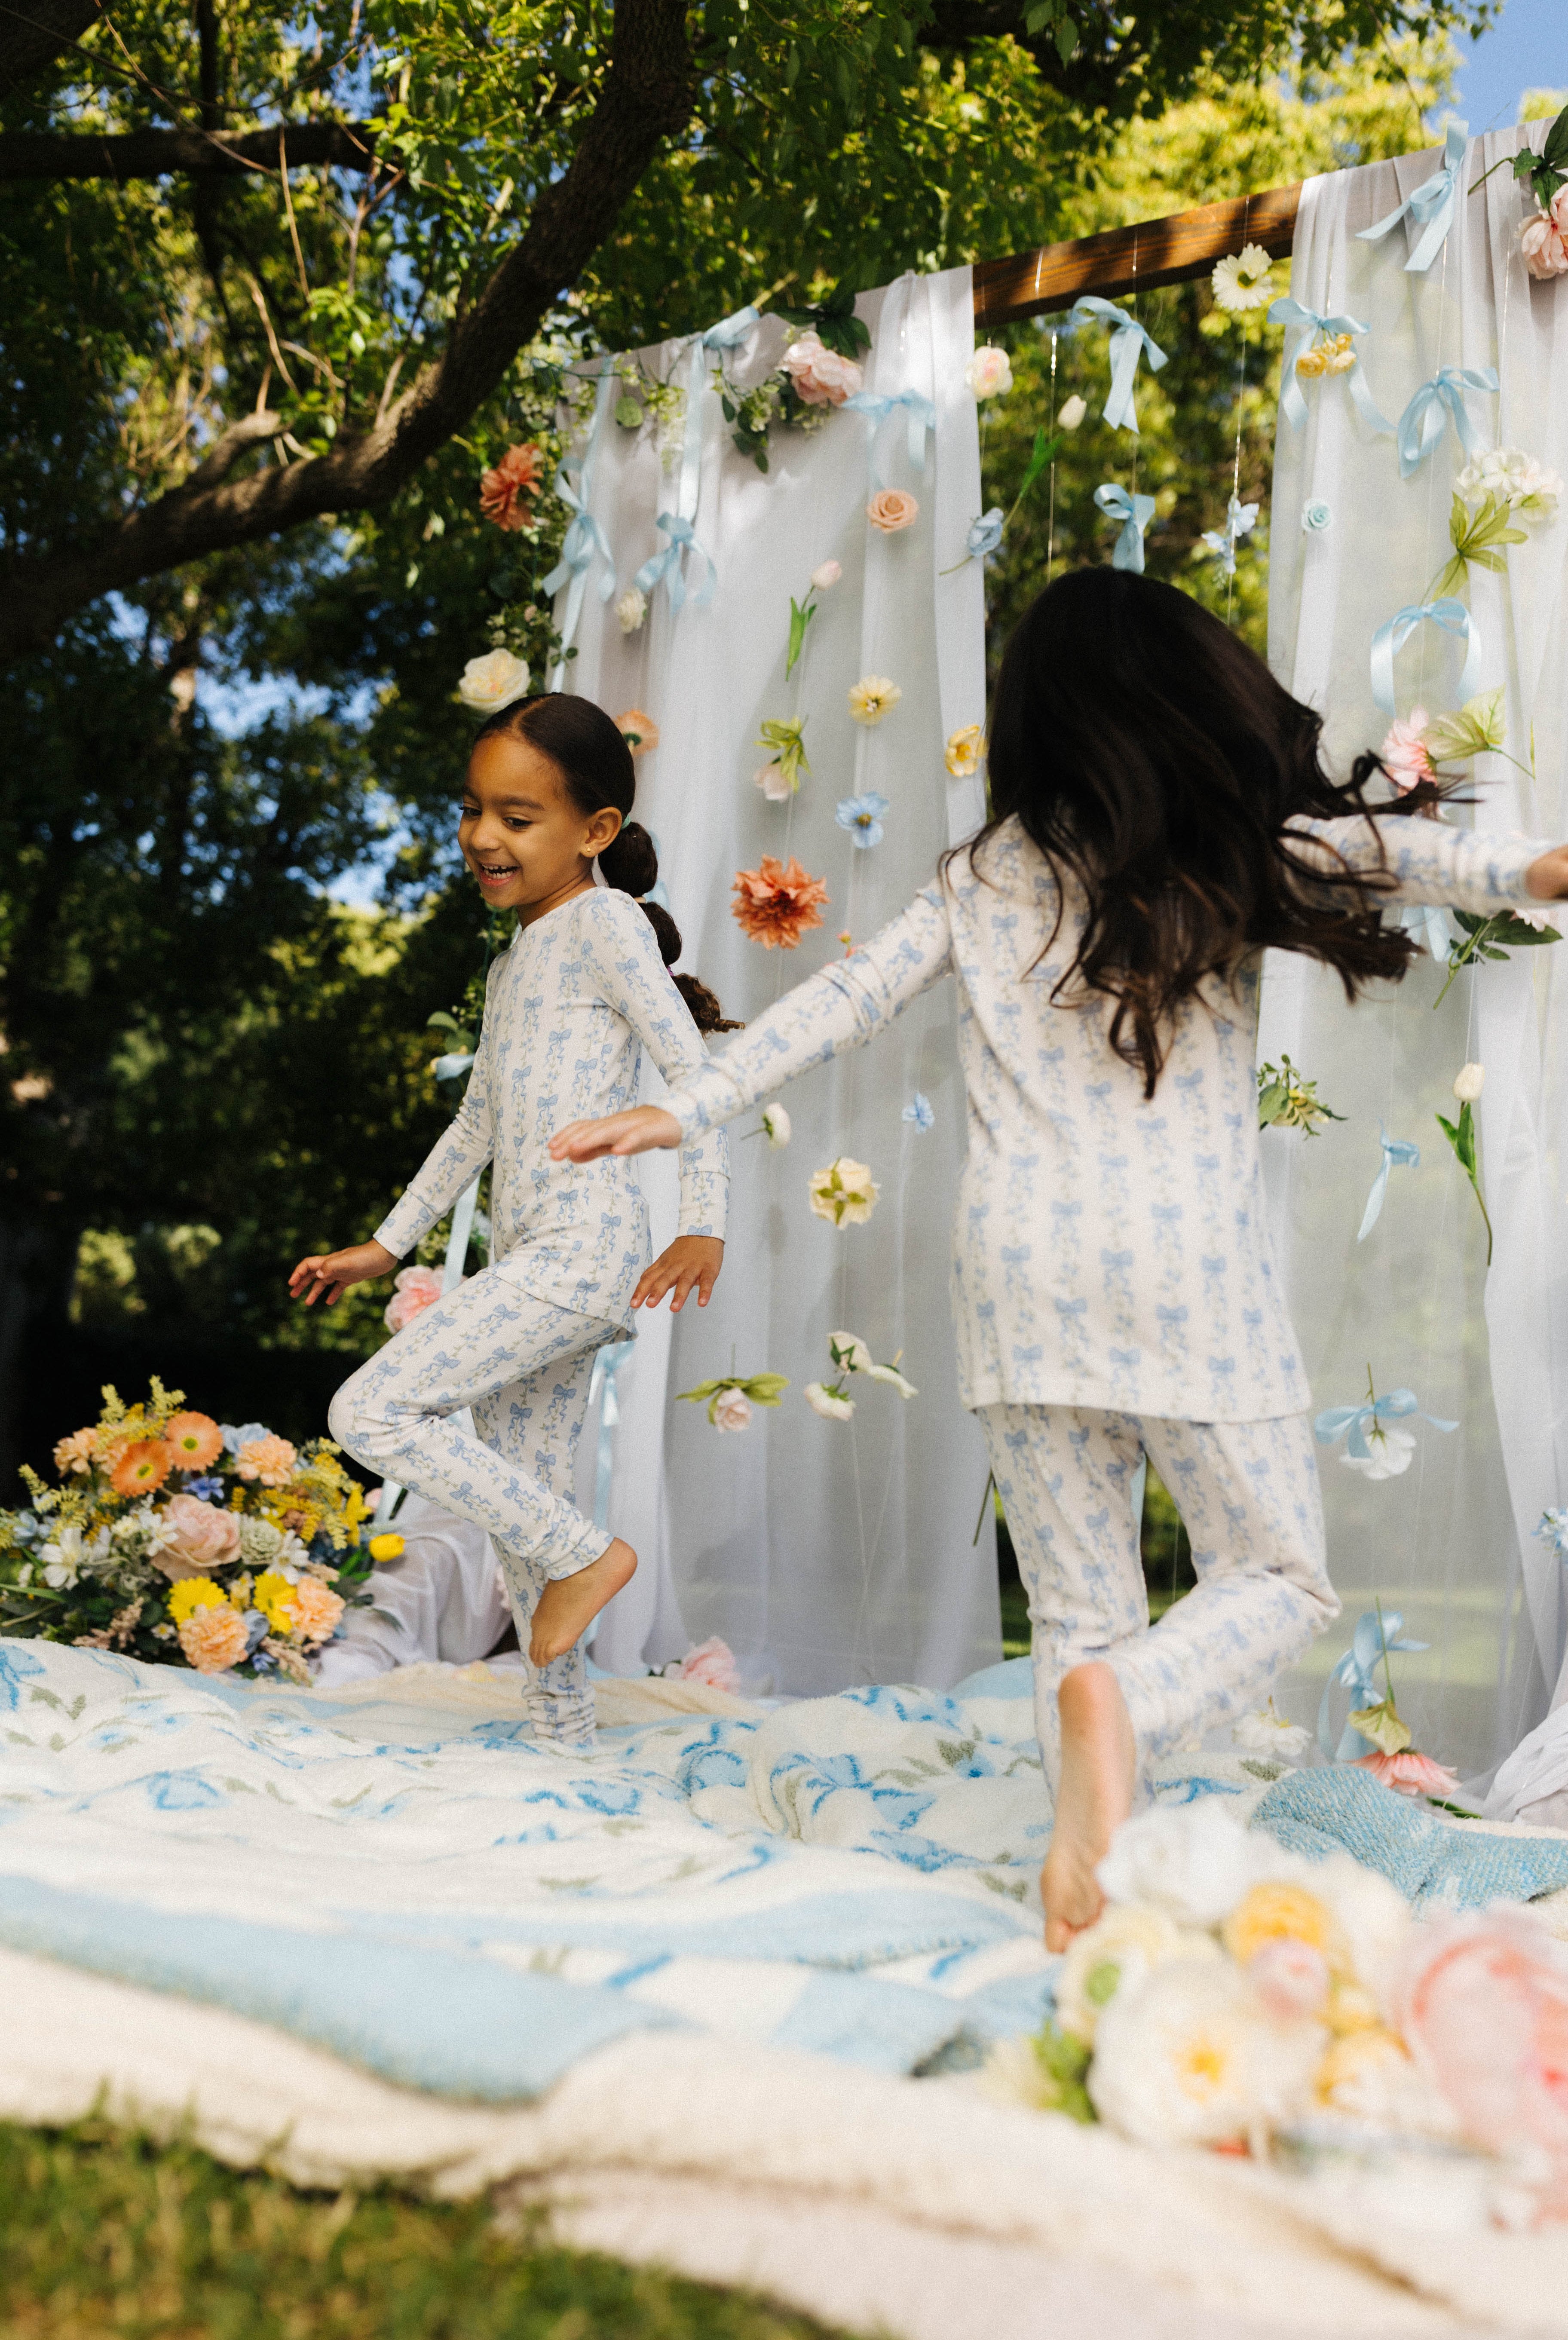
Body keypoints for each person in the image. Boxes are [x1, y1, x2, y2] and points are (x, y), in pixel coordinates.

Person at [547, 569, 1568, 1938]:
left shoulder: (984, 871)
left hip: (1014, 1274)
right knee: (1276, 1575)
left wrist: (679, 1104)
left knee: (1083, 1605)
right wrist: (1534, 869)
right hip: (1181, 1264)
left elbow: (845, 1001)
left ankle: (1090, 1878)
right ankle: (1129, 1714)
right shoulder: (1235, 839)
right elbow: (1444, 864)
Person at [289, 692, 732, 1746]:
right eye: (472, 809)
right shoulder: (511, 962)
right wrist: (386, 1246)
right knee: (524, 1495)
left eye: (518, 818)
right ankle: (563, 1734)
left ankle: (588, 1554)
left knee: (371, 1411)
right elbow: (474, 1123)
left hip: (586, 1251)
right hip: (536, 1248)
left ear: (595, 833)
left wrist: (704, 1218)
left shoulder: (606, 925)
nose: (484, 837)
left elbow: (696, 1076)